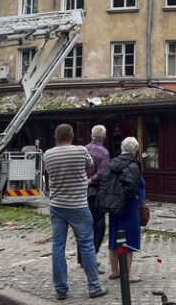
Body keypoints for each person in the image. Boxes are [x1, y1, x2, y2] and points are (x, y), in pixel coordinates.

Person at [42, 123, 108, 300]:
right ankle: (94, 286)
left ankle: (61, 289)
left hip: (57, 206)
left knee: (58, 246)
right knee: (86, 245)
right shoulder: (80, 151)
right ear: (72, 136)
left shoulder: (47, 154)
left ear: (55, 138)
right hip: (78, 205)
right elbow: (90, 165)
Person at [98, 136, 144, 283]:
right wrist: (121, 198)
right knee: (128, 241)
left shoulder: (113, 162)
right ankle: (127, 274)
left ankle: (114, 271)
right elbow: (131, 187)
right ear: (135, 150)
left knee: (114, 236)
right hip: (128, 207)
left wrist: (112, 199)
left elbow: (105, 181)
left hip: (113, 207)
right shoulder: (133, 164)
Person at [77, 125, 110, 274]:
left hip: (81, 195)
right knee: (98, 228)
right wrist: (90, 181)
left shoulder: (83, 149)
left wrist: (84, 181)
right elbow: (103, 174)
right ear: (104, 137)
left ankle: (80, 257)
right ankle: (90, 259)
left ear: (91, 136)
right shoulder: (104, 153)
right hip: (96, 195)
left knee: (83, 227)